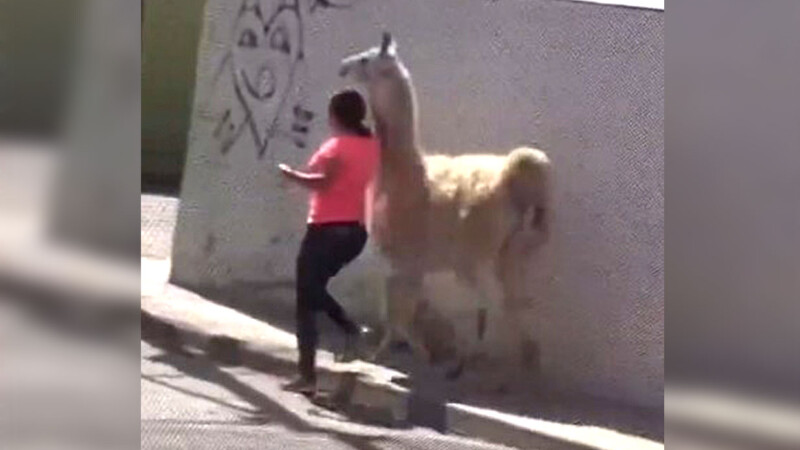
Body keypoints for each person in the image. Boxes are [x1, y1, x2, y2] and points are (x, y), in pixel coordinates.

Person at [277, 89, 380, 395]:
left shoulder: (336, 147)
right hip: (357, 232)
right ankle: (308, 374)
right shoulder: (373, 147)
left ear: (335, 116)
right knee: (310, 294)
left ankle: (349, 331)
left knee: (306, 295)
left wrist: (290, 175)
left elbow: (323, 182)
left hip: (325, 229)